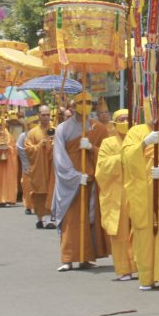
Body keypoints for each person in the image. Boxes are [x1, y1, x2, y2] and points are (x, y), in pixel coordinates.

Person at [123, 96, 159, 291]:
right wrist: (143, 144)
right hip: (142, 190)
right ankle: (147, 276)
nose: (158, 109)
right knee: (145, 233)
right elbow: (126, 158)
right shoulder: (135, 132)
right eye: (154, 106)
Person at [51, 92, 110, 271]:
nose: (85, 105)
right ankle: (68, 258)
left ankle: (86, 257)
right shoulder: (63, 129)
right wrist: (76, 176)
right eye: (81, 102)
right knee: (70, 218)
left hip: (91, 181)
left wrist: (91, 148)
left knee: (90, 219)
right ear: (73, 105)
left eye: (89, 102)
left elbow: (108, 155)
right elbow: (60, 159)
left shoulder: (98, 128)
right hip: (71, 183)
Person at [95, 108, 138, 281]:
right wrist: (122, 157)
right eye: (121, 119)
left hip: (135, 190)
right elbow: (102, 168)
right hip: (117, 193)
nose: (125, 122)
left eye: (128, 119)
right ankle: (124, 269)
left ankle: (139, 265)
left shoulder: (137, 140)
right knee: (120, 233)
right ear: (114, 123)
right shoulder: (108, 143)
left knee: (138, 230)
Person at [24, 106, 56, 228]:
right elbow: (27, 149)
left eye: (48, 115)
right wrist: (38, 146)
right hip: (38, 168)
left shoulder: (54, 130)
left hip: (51, 168)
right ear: (38, 116)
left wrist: (55, 143)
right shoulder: (32, 133)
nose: (46, 117)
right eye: (44, 115)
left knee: (50, 191)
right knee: (38, 193)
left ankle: (48, 219)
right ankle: (39, 218)